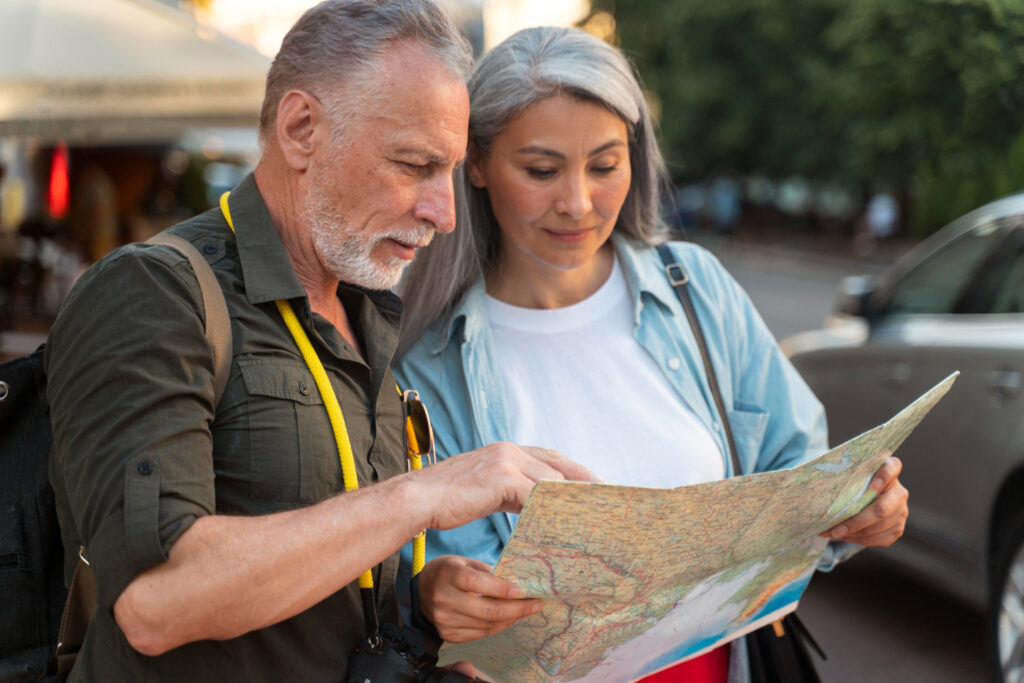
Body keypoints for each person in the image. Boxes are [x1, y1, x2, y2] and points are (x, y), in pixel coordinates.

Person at [44, 3, 596, 680]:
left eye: (447, 173)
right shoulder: (152, 292)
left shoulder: (368, 310)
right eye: (414, 164)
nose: (444, 214)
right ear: (302, 128)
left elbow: (318, 573)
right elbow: (156, 602)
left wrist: (419, 601)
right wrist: (420, 494)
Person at [395, 26, 910, 682]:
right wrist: (437, 593)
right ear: (475, 162)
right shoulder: (427, 361)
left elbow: (796, 466)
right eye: (541, 170)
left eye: (605, 164)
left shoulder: (696, 289)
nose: (578, 202)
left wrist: (855, 511)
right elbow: (434, 583)